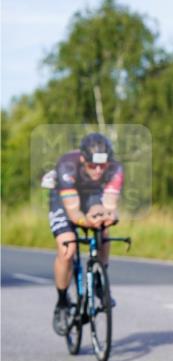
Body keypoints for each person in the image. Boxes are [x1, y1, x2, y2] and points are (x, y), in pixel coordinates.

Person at [47, 132, 124, 336]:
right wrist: (85, 221)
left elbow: (109, 205)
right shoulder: (67, 165)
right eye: (92, 165)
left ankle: (100, 280)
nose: (98, 170)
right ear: (83, 159)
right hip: (64, 198)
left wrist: (108, 216)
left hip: (91, 196)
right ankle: (63, 301)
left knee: (103, 227)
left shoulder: (115, 169)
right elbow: (73, 212)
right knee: (68, 248)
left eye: (103, 165)